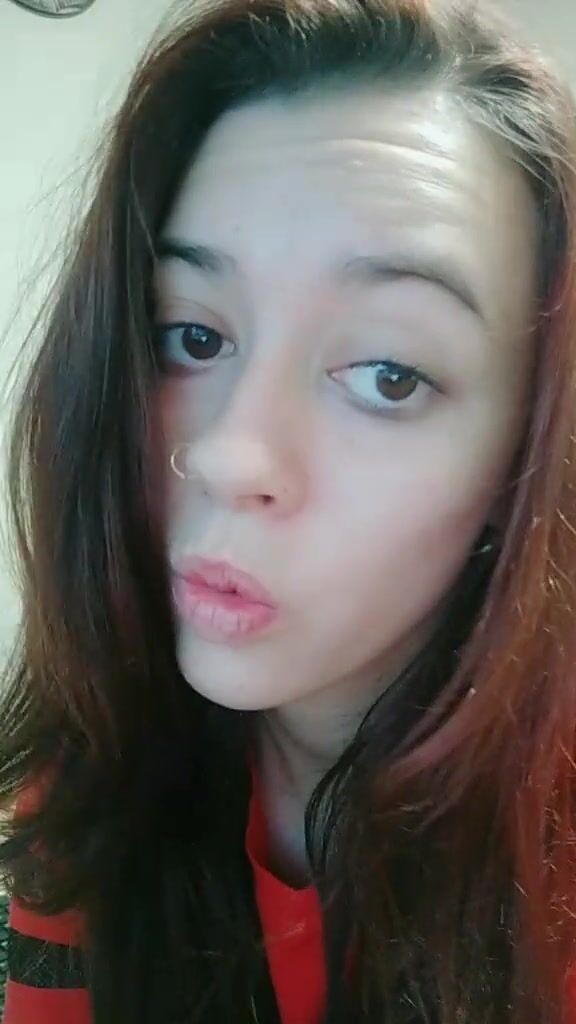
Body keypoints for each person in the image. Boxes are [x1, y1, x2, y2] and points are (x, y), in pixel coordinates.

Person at [1, 0, 576, 1020]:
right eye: (193, 337)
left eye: (390, 373)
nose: (230, 455)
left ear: (522, 462)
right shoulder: (90, 788)